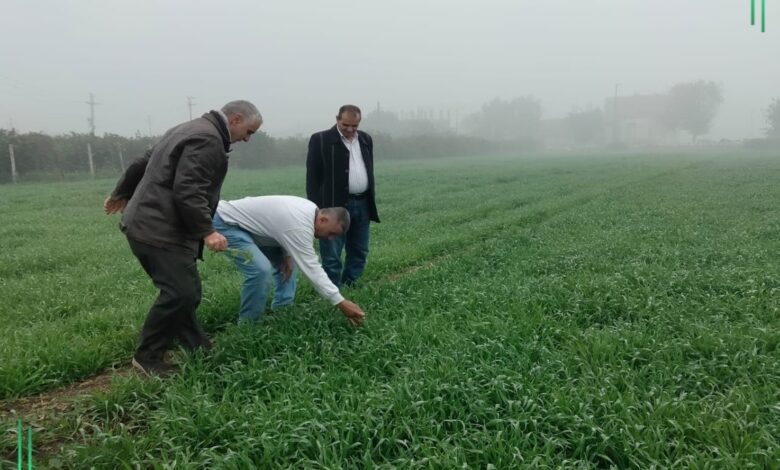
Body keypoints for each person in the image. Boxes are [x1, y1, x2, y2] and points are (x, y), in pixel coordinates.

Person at [103, 100, 263, 376]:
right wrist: (207, 231)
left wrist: (122, 192)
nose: (247, 139)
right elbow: (188, 189)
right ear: (235, 119)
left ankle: (196, 345)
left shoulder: (187, 128)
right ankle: (148, 356)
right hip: (159, 228)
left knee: (183, 291)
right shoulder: (208, 138)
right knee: (181, 292)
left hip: (146, 223)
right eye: (249, 131)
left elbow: (143, 161)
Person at [213, 195, 366, 326]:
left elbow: (280, 226)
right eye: (332, 232)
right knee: (260, 270)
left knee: (289, 263)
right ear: (323, 220)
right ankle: (248, 325)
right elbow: (312, 269)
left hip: (254, 228)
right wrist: (340, 301)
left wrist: (286, 255)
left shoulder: (311, 210)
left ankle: (282, 312)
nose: (330, 238)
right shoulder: (300, 226)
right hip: (226, 222)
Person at [306, 104, 380, 287]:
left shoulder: (365, 139)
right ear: (337, 119)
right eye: (346, 124)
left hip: (362, 202)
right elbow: (313, 177)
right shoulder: (321, 139)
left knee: (360, 250)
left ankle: (350, 283)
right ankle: (333, 290)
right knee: (331, 253)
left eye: (354, 125)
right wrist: (316, 209)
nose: (350, 129)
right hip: (333, 207)